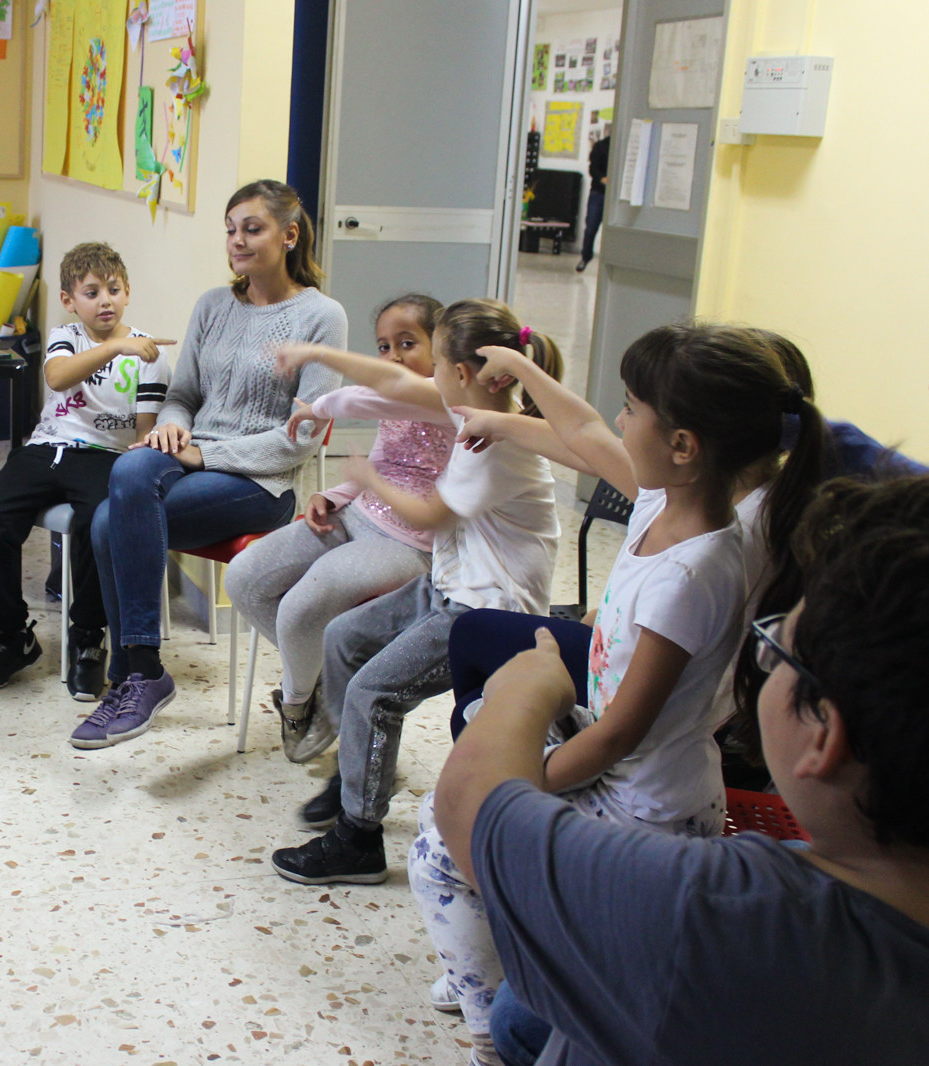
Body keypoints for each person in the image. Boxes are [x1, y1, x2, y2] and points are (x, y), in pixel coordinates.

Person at [407, 323, 825, 1064]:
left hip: (645, 804)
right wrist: (520, 377)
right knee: (457, 795)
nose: (619, 418)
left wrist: (513, 790)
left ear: (684, 446)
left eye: (635, 406)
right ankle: (499, 982)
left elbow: (618, 736)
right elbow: (587, 431)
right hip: (621, 768)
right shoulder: (664, 506)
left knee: (440, 848)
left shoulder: (699, 570)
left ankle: (486, 1036)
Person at [434, 475, 929, 1066]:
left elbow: (470, 803)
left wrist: (525, 689)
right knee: (521, 1014)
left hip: (647, 805)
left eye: (774, 648)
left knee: (516, 1014)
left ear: (825, 734)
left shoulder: (710, 911)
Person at [267, 300, 562, 887]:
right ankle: (356, 773)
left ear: (458, 374)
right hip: (448, 584)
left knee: (373, 693)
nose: (418, 377)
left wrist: (369, 480)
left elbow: (430, 515)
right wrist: (319, 365)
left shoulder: (496, 442)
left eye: (434, 364)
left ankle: (358, 839)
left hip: (485, 610)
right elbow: (389, 387)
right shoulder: (476, 415)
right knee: (344, 637)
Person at [75, 179, 347, 749]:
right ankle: (142, 671)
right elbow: (185, 395)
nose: (237, 241)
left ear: (289, 235)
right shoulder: (212, 305)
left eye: (253, 228)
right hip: (193, 461)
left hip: (260, 482)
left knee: (107, 522)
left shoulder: (323, 316)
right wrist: (173, 423)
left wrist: (205, 452)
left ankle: (134, 674)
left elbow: (301, 441)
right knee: (124, 480)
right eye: (231, 230)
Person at [224, 293, 453, 760]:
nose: (393, 356)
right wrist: (333, 496)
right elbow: (383, 462)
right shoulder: (395, 395)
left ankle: (297, 708)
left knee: (301, 606)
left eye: (407, 342)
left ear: (441, 347)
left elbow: (364, 397)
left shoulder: (451, 398)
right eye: (384, 346)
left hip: (410, 543)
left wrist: (320, 403)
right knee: (243, 578)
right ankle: (331, 682)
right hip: (357, 516)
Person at [0, 242, 172, 698]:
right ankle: (13, 637)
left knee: (98, 524)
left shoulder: (149, 356)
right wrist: (118, 345)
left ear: (127, 292)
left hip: (105, 456)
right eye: (92, 292)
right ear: (69, 300)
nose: (105, 301)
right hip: (45, 449)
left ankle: (87, 639)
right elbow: (58, 377)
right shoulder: (66, 336)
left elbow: (143, 431)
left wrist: (131, 354)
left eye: (114, 290)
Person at [575, 132, 609, 273]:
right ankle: (585, 257)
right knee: (591, 228)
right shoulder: (601, 146)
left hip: (614, 198)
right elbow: (593, 169)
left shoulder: (624, 148)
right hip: (598, 193)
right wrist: (603, 179)